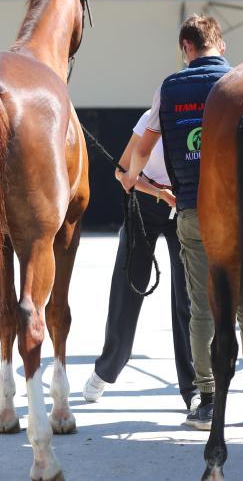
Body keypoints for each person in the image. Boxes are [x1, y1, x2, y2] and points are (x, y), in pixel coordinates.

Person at [120, 15, 231, 430]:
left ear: (186, 47)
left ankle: (207, 400)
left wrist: (132, 178)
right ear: (219, 44)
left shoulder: (170, 88)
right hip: (240, 213)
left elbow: (142, 150)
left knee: (201, 307)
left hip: (193, 209)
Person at [83, 109, 198, 410]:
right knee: (128, 287)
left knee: (187, 297)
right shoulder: (151, 118)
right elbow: (122, 171)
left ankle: (193, 387)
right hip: (147, 204)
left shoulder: (196, 122)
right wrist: (159, 193)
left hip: (184, 208)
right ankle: (106, 369)